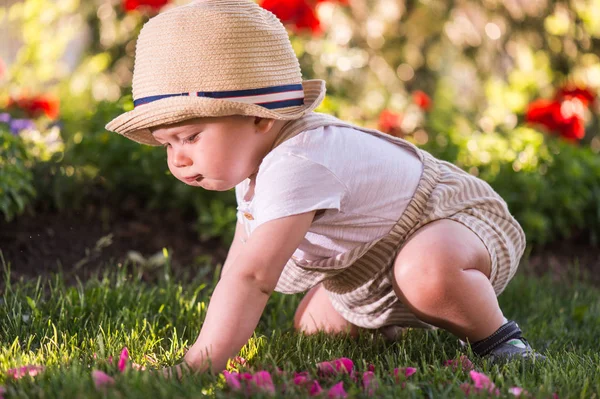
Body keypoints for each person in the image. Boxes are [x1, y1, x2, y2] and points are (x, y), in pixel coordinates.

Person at [105, 0, 544, 376]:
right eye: (167, 144)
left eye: (191, 136)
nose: (177, 158)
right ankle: (396, 322)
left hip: (451, 222)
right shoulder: (256, 166)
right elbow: (240, 266)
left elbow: (253, 277)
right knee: (316, 331)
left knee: (426, 272)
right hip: (372, 263)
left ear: (261, 117)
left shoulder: (299, 160)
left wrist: (200, 363)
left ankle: (500, 342)